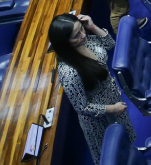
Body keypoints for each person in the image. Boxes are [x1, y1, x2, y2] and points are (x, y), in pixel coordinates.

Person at [49, 13, 137, 164]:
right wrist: (112, 109)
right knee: (114, 155)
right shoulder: (69, 73)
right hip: (99, 118)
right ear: (65, 43)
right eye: (76, 35)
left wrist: (92, 26)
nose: (83, 35)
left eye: (81, 29)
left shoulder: (85, 41)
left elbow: (110, 44)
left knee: (125, 141)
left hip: (112, 99)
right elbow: (82, 107)